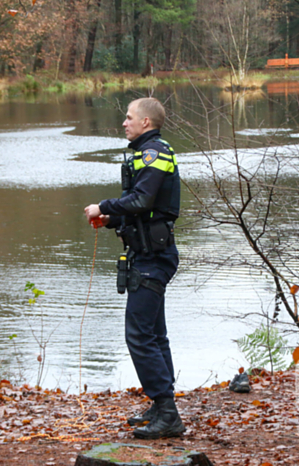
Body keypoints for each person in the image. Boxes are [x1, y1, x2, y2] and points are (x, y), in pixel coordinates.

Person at [84, 97, 183, 439]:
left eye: (128, 118)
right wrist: (113, 219)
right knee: (154, 334)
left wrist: (102, 206)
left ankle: (168, 412)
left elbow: (142, 200)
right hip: (148, 253)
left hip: (154, 258)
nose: (124, 123)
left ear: (145, 122)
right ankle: (161, 407)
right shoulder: (146, 152)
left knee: (139, 335)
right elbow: (144, 208)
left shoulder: (156, 153)